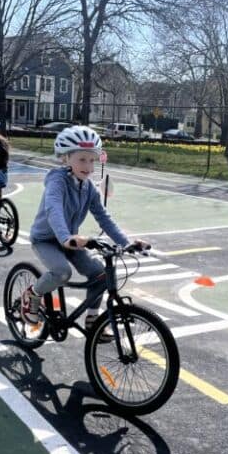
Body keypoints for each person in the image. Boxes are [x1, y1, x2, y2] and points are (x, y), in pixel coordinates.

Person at [21, 125, 148, 335]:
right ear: (65, 158)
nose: (88, 166)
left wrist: (126, 243)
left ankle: (93, 321)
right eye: (82, 159)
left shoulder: (88, 187)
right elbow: (53, 209)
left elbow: (104, 218)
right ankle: (32, 295)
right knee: (62, 272)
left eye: (92, 160)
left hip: (71, 241)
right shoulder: (57, 181)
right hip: (47, 239)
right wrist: (65, 237)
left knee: (101, 274)